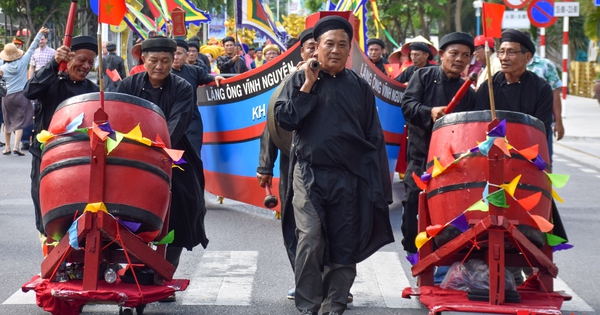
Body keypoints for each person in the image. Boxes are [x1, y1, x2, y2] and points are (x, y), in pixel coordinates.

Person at [274, 16, 393, 315]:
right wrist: (309, 85)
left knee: (344, 242)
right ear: (316, 47)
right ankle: (308, 306)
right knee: (311, 238)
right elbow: (285, 120)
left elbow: (373, 136)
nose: (336, 50)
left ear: (350, 49)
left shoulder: (360, 87)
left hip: (350, 178)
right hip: (309, 173)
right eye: (330, 44)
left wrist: (379, 185)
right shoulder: (299, 80)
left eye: (343, 45)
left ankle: (334, 305)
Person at [116, 37, 209, 301]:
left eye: (165, 61)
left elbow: (177, 124)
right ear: (143, 60)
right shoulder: (127, 84)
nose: (159, 66)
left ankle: (163, 273)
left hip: (172, 153)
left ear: (173, 61)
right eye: (153, 60)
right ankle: (133, 271)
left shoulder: (182, 87)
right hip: (131, 156)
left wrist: (155, 151)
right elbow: (116, 115)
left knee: (182, 207)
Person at [475, 28, 568, 285]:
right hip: (492, 163)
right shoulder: (489, 87)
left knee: (529, 219)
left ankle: (532, 265)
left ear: (527, 57)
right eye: (501, 51)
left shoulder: (540, 88)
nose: (504, 57)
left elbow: (538, 129)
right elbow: (476, 125)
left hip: (526, 163)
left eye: (511, 52)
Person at [400, 32, 477, 255]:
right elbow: (407, 107)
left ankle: (443, 261)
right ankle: (415, 258)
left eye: (465, 55)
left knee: (448, 216)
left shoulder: (469, 93)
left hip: (452, 165)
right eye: (453, 53)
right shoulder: (422, 77)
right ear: (442, 54)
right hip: (421, 159)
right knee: (413, 210)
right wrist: (430, 112)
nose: (459, 59)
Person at [23, 35, 100, 239]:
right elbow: (29, 91)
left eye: (91, 62)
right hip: (46, 159)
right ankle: (53, 264)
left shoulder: (93, 92)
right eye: (82, 60)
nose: (86, 66)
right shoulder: (51, 81)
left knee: (78, 217)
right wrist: (53, 63)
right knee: (48, 217)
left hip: (80, 163)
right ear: (68, 57)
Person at [0, 27, 48, 156]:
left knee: (7, 121)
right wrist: (39, 34)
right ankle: (17, 146)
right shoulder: (23, 62)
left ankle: (7, 148)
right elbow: (32, 47)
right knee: (20, 122)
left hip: (7, 96)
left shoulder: (2, 67)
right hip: (21, 95)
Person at [171, 39, 224, 154]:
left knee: (193, 154)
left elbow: (209, 78)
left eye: (179, 54)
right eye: (173, 54)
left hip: (191, 120)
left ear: (186, 55)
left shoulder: (195, 71)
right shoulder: (163, 73)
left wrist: (216, 78)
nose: (175, 57)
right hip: (170, 120)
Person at [525, 42, 564, 161]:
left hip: (541, 124)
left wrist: (559, 122)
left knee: (544, 162)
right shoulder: (506, 65)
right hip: (517, 123)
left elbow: (555, 93)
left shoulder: (545, 65)